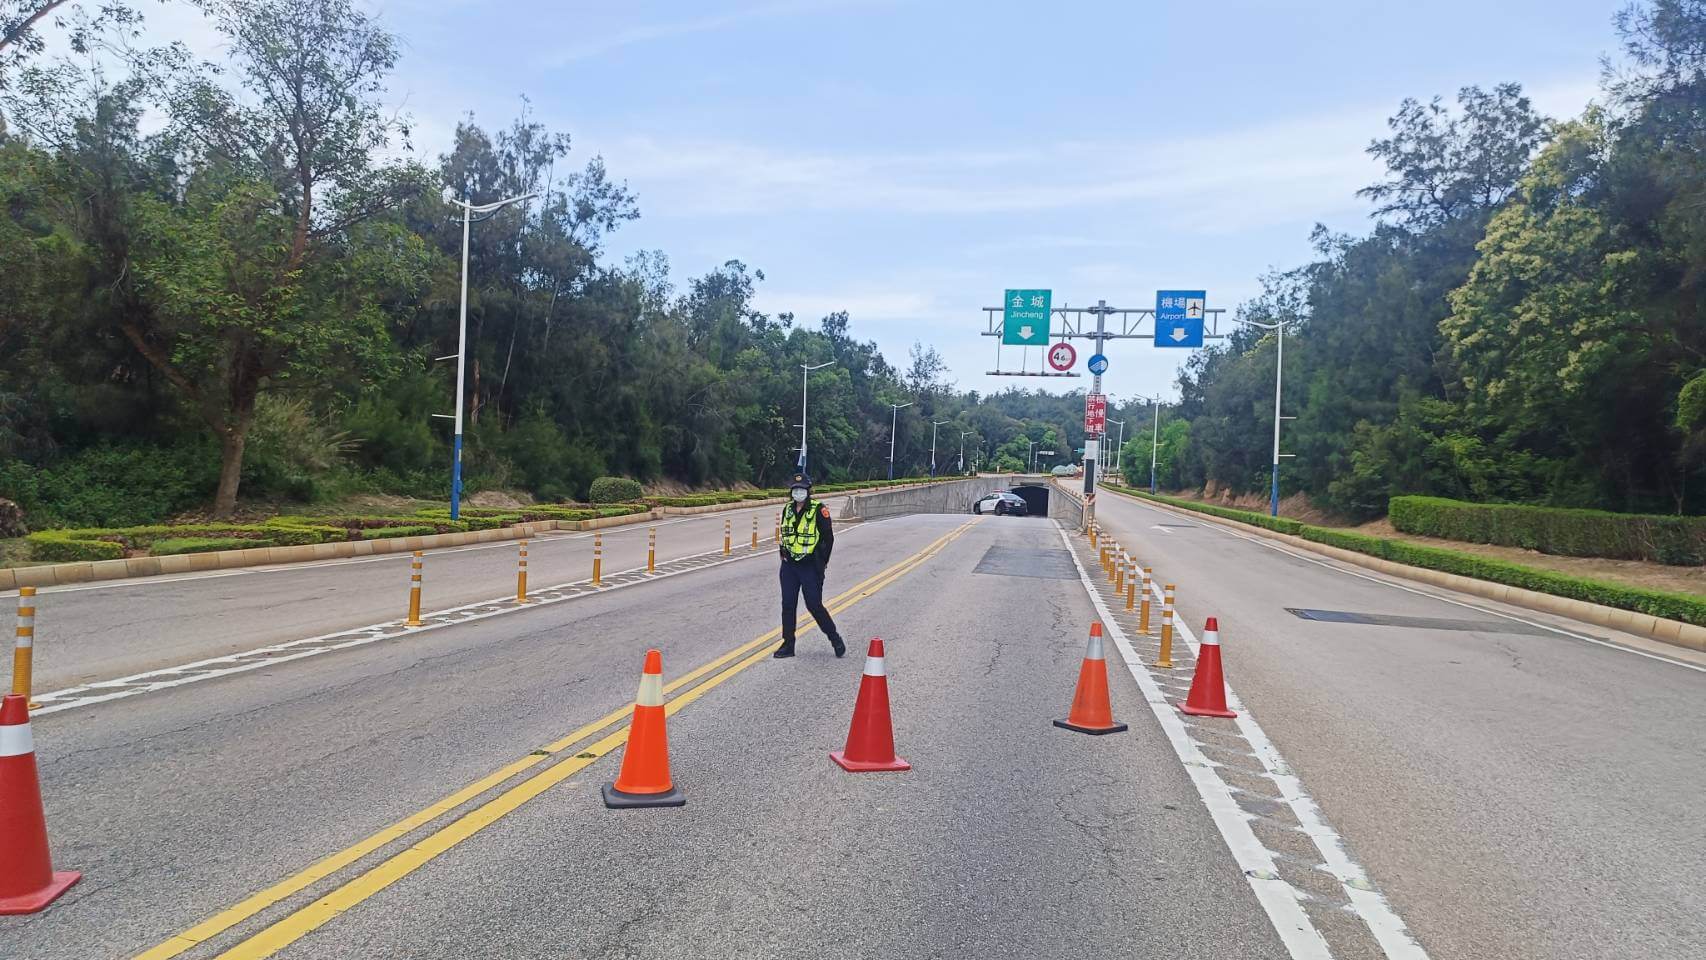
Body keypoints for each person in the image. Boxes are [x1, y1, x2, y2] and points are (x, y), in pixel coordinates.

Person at [774, 473, 846, 659]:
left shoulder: (818, 510)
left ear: (808, 491)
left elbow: (828, 539)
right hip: (789, 565)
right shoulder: (787, 509)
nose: (798, 492)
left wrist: (821, 563)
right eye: (795, 490)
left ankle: (834, 638)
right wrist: (783, 552)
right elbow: (785, 533)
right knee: (788, 605)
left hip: (810, 566)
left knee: (814, 604)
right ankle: (788, 644)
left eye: (802, 489)